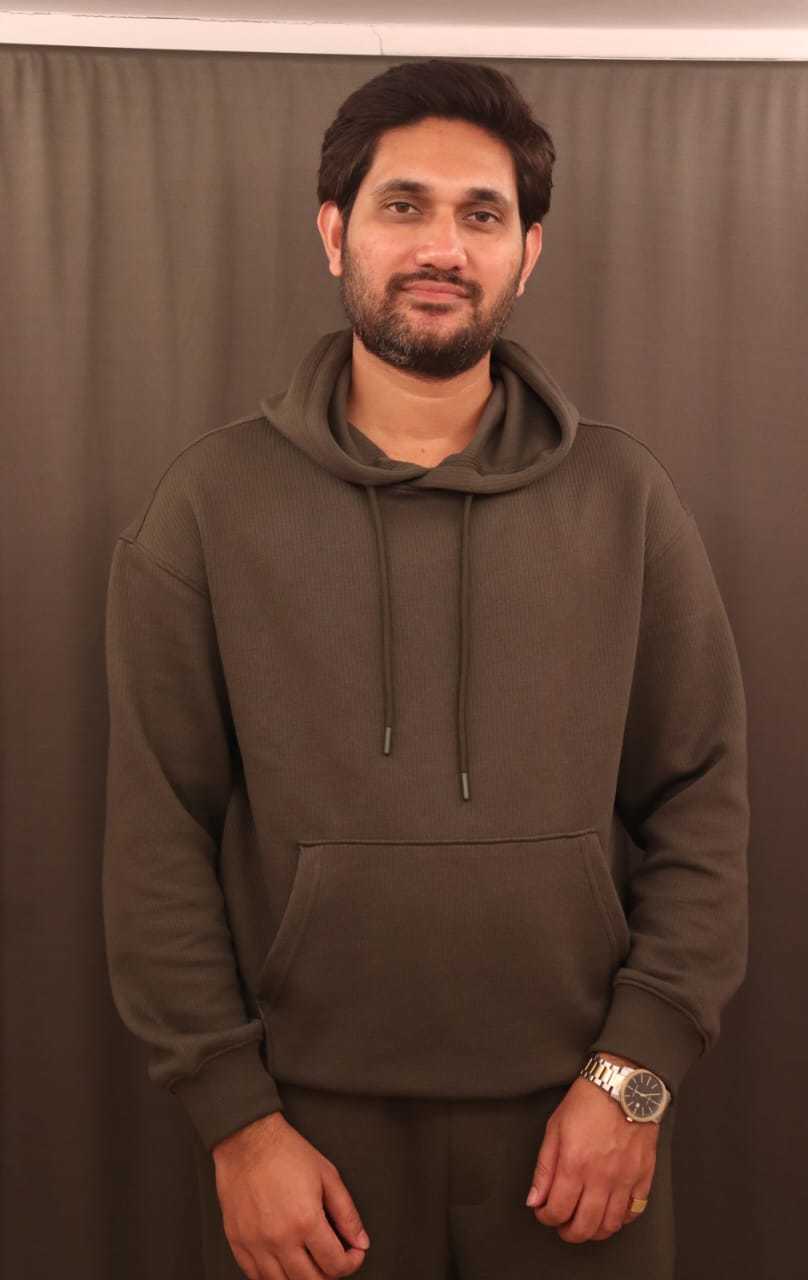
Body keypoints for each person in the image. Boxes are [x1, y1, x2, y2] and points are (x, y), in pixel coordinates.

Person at [102, 57, 750, 1280]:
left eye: (481, 214)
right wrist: (235, 1123)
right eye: (404, 205)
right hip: (303, 1145)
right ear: (333, 231)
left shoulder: (625, 500)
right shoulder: (207, 507)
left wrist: (637, 1075)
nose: (442, 246)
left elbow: (700, 804)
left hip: (579, 1131)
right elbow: (156, 836)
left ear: (527, 253)